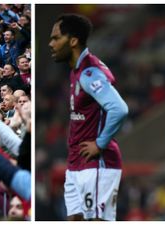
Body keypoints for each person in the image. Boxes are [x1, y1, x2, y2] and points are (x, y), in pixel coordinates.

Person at [48, 14, 128, 221]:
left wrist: (100, 143)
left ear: (73, 41)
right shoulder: (76, 70)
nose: (51, 44)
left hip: (97, 162)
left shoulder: (89, 71)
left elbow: (119, 109)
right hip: (76, 162)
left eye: (56, 38)